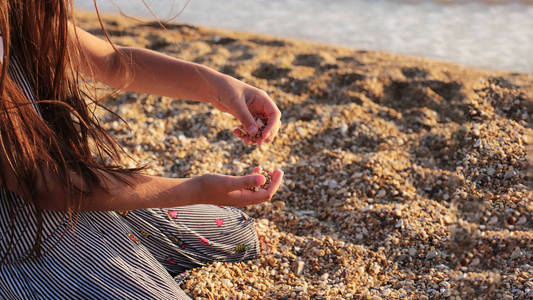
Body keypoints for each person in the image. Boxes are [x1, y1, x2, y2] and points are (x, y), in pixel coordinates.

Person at [0, 1, 283, 299]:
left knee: (240, 235)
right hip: (24, 225)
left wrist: (219, 86)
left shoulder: (18, 9)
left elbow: (111, 62)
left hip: (69, 192)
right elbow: (47, 183)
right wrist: (197, 188)